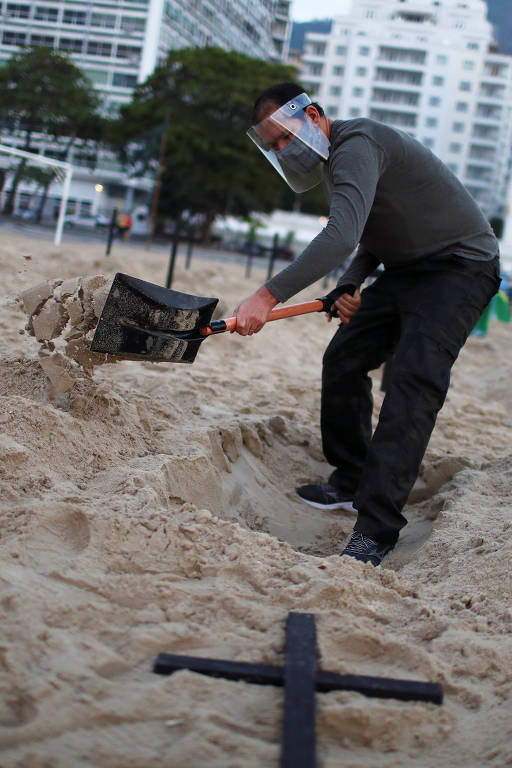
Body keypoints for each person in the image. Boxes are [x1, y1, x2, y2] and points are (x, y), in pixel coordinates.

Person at [234, 81, 500, 567]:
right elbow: (372, 233)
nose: (282, 151)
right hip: (407, 269)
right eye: (272, 146)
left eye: (284, 138)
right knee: (344, 356)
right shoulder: (335, 163)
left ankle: (376, 529)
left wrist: (267, 296)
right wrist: (350, 284)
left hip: (460, 267)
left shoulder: (357, 145)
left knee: (412, 380)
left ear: (311, 116)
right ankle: (352, 477)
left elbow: (339, 237)